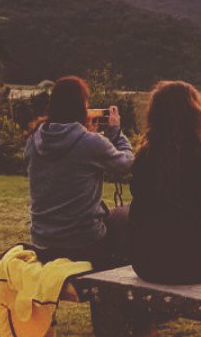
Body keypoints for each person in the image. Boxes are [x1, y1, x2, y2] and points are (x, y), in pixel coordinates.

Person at [129, 81, 201, 337]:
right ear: (197, 113)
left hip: (146, 263)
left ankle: (146, 322)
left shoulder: (141, 157)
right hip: (197, 264)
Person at [24, 75, 132, 269]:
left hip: (42, 244)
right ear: (82, 106)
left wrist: (85, 133)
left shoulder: (34, 138)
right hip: (83, 245)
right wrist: (116, 133)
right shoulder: (90, 143)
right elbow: (127, 164)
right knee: (127, 214)